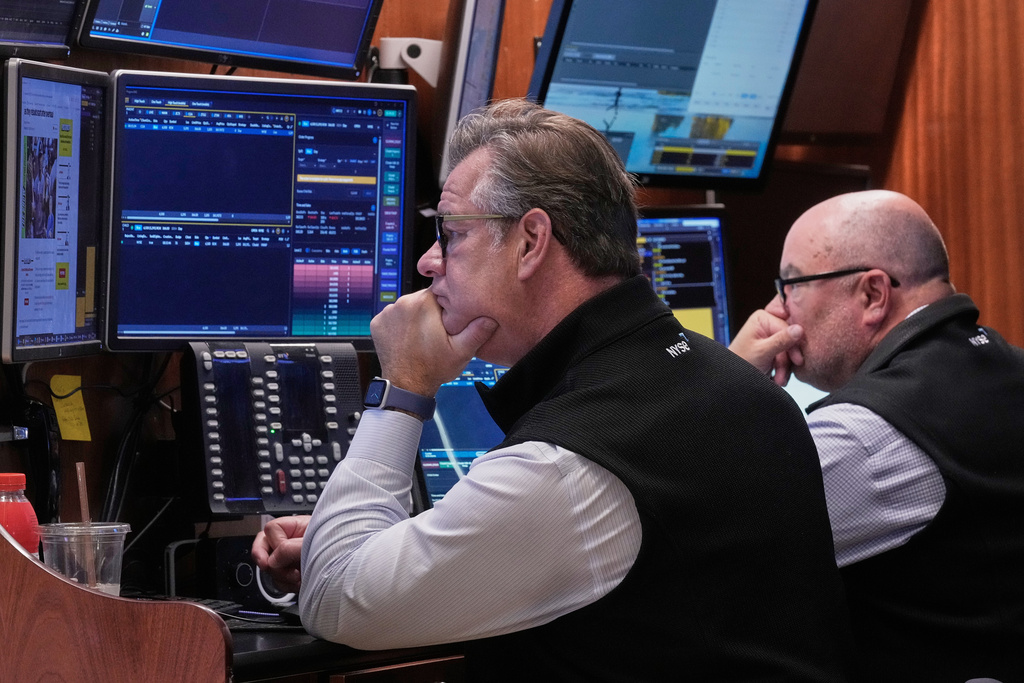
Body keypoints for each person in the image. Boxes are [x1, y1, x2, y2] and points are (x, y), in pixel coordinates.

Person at [253, 99, 852, 681]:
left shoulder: (573, 463)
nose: (428, 263)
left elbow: (337, 600)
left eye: (451, 233)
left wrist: (404, 386)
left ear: (531, 241)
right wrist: (372, 552)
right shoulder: (726, 384)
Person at [729, 190, 1024, 683]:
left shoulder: (863, 439)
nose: (777, 311)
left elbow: (698, 539)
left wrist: (730, 380)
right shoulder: (1006, 364)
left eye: (791, 285)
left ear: (872, 295)